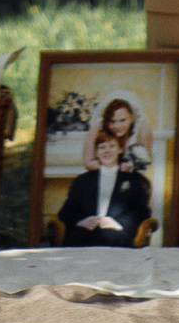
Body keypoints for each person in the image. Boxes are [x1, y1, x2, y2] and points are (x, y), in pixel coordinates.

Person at [50, 96, 153, 247]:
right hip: (84, 237)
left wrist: (116, 223)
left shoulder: (135, 181)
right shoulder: (82, 181)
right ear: (96, 152)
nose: (107, 151)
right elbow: (65, 213)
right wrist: (82, 221)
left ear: (120, 150)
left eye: (112, 147)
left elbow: (141, 213)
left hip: (117, 238)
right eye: (102, 148)